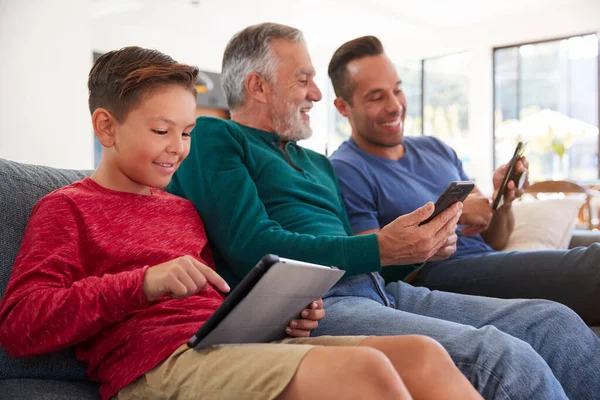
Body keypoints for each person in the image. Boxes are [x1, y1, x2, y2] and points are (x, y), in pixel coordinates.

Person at [0, 46, 481, 400]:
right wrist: (143, 284)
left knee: (421, 353)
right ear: (107, 127)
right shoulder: (67, 208)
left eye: (187, 132)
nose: (178, 148)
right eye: (161, 131)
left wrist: (281, 319)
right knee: (364, 371)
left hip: (221, 348)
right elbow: (21, 326)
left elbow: (215, 304)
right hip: (153, 368)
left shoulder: (181, 210)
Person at [170, 23, 600, 400]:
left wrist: (418, 247)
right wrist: (380, 247)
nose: (317, 94)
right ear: (257, 86)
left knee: (554, 323)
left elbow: (361, 260)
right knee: (500, 356)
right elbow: (251, 247)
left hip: (379, 290)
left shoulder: (316, 162)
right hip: (312, 307)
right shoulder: (215, 135)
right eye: (303, 80)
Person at [327, 35, 600, 325]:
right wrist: (452, 214)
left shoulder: (436, 148)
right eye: (377, 97)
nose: (395, 106)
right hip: (436, 276)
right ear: (343, 107)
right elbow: (372, 267)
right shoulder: (345, 169)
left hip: (486, 263)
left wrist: (502, 203)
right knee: (592, 265)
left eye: (397, 90)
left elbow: (496, 239)